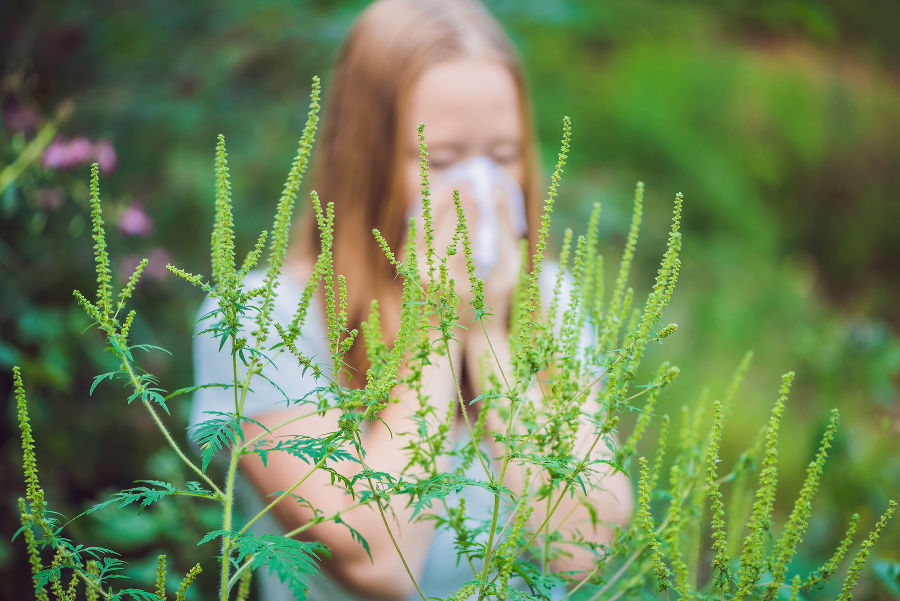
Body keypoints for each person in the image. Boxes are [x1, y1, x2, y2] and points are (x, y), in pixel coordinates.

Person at [191, 1, 632, 599]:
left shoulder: (552, 299)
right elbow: (379, 561)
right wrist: (439, 327)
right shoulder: (258, 322)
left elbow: (581, 550)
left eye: (501, 157)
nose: (477, 189)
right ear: (365, 160)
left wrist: (490, 335)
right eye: (443, 161)